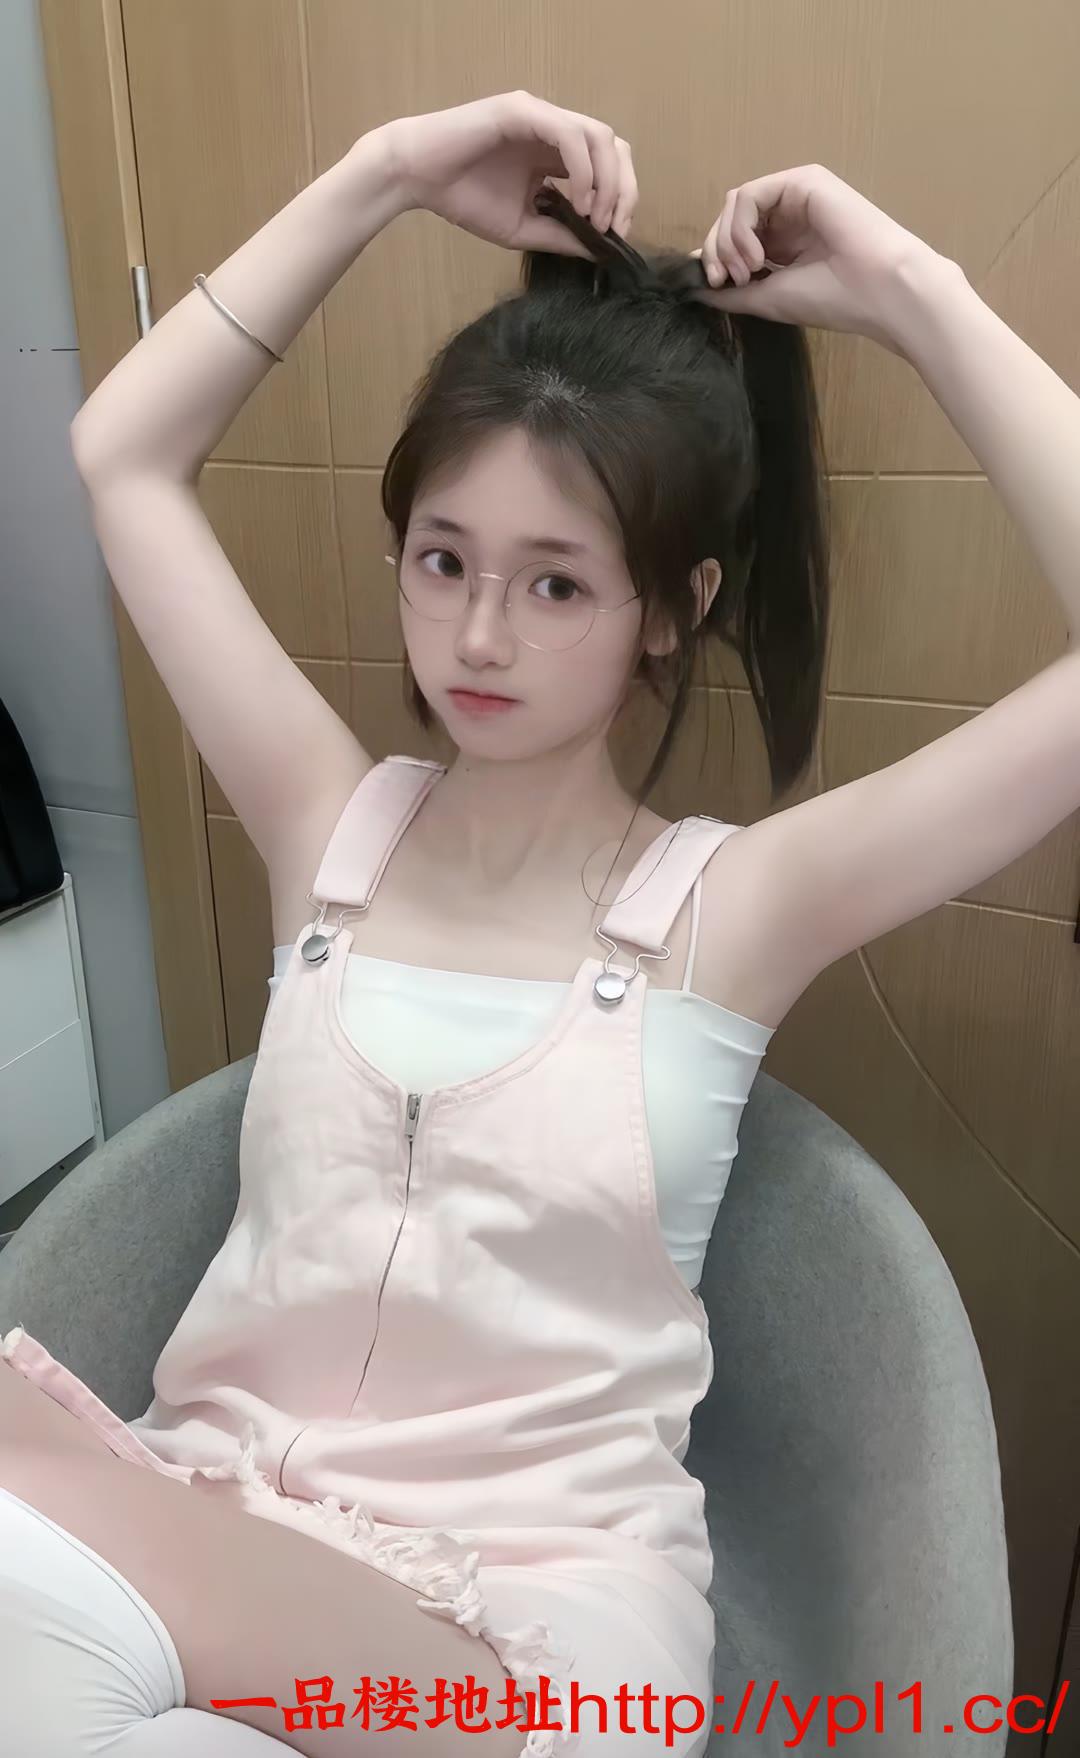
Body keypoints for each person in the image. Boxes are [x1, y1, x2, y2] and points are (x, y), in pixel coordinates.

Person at [3, 86, 1079, 1758]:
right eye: (442, 560)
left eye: (557, 581)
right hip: (217, 1535)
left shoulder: (735, 907)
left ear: (673, 609)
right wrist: (383, 173)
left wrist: (912, 290)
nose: (480, 636)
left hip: (531, 1650)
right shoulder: (328, 826)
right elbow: (120, 453)